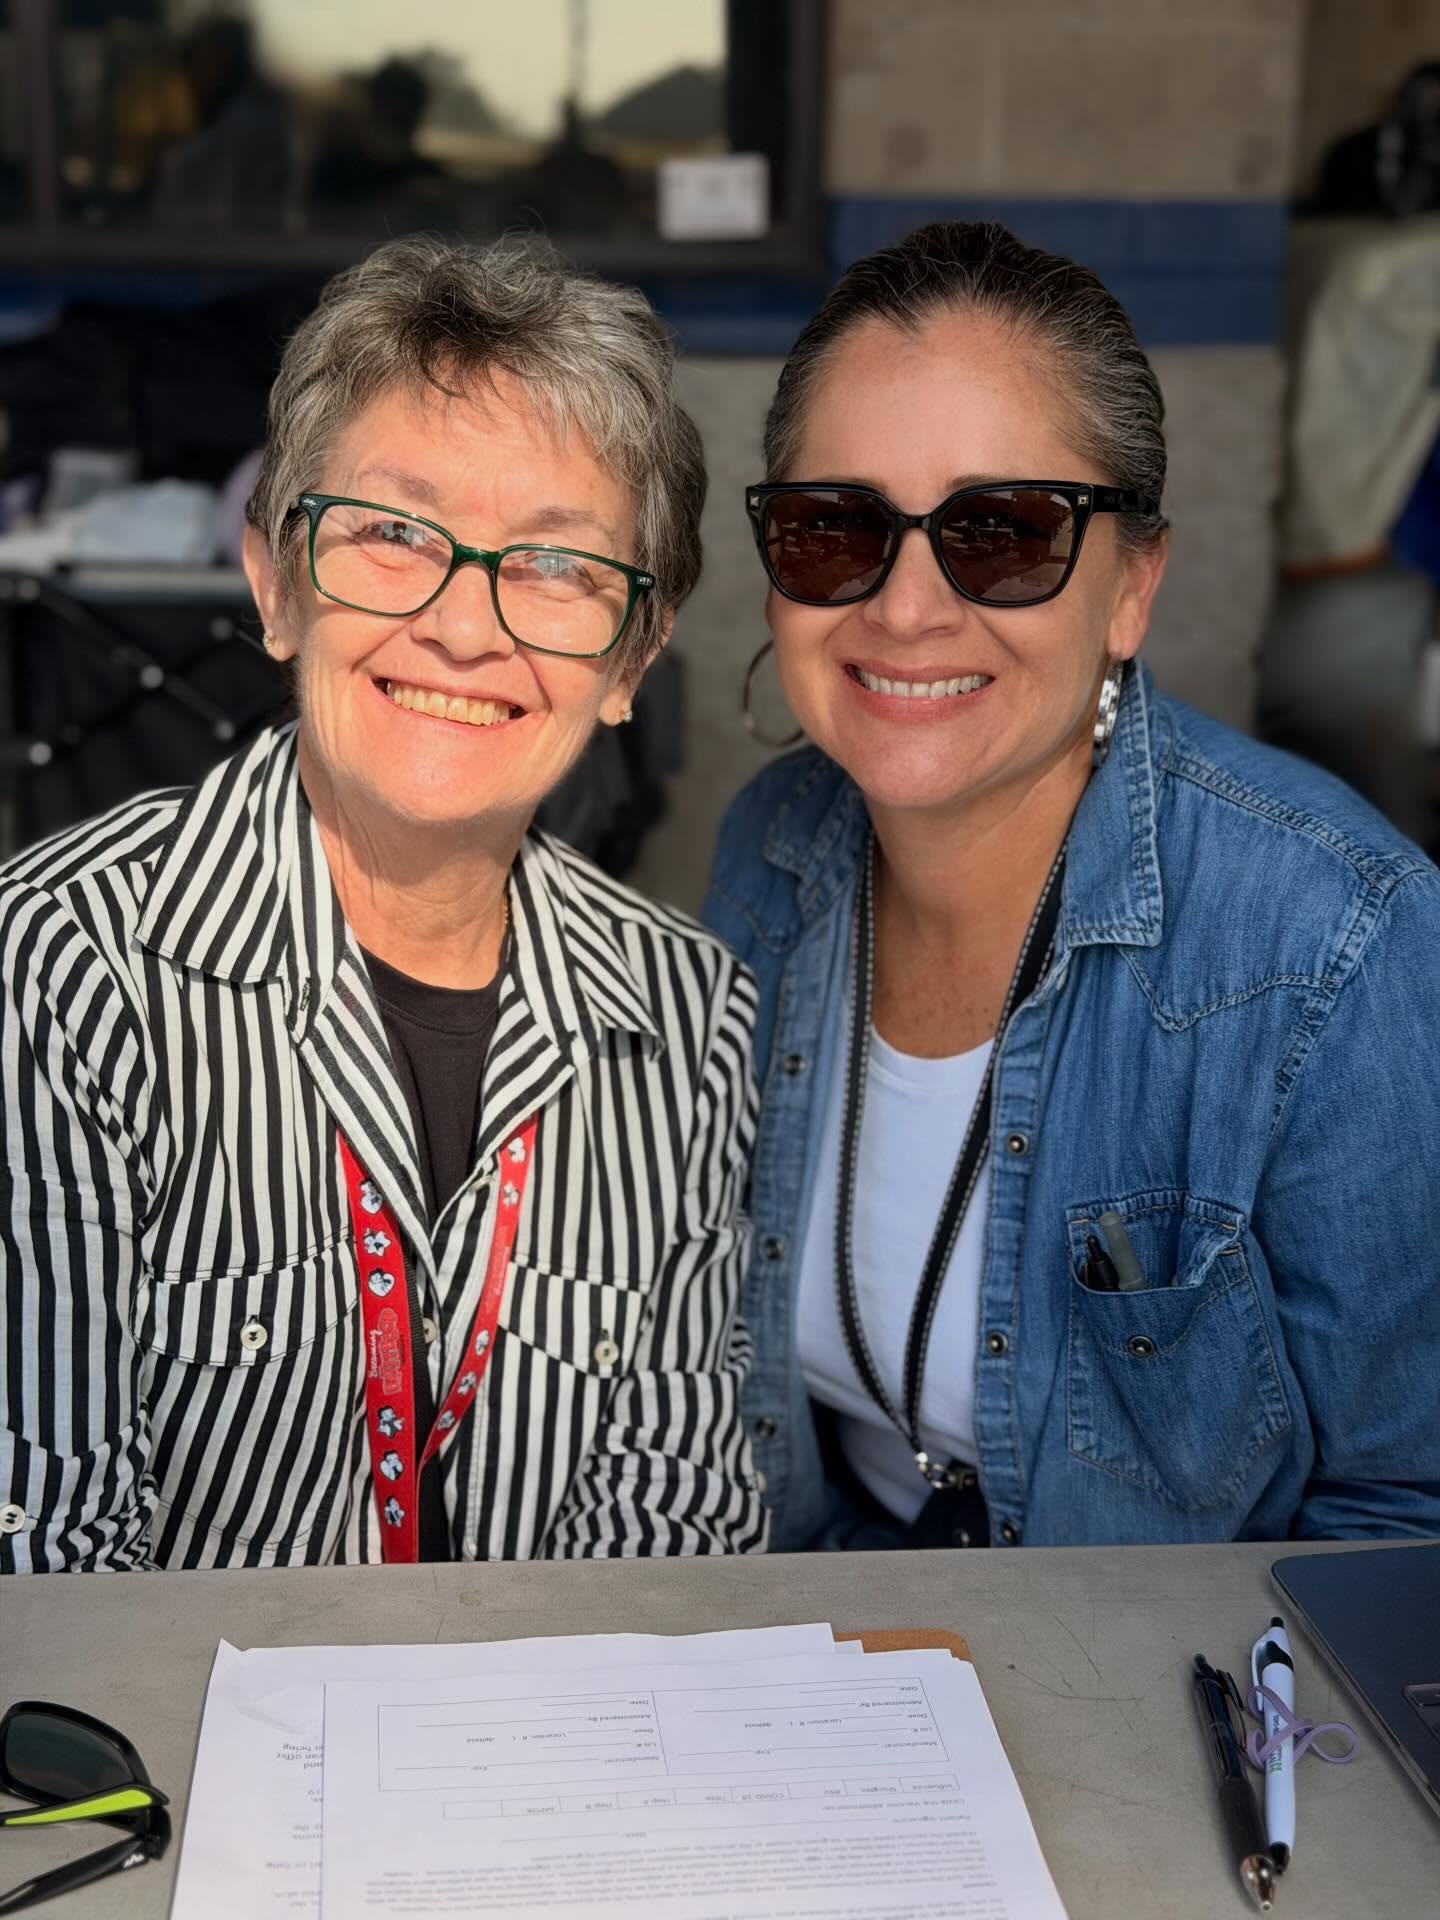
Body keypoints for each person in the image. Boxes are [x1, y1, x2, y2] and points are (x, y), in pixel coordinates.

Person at [0, 237, 765, 1572]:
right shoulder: (63, 975)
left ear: (634, 657)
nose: (467, 628)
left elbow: (674, 1529)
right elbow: (46, 1568)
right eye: (396, 536)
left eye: (552, 565)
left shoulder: (685, 1016)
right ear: (277, 584)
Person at [702, 220, 1440, 1553]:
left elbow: (1406, 1520)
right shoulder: (770, 850)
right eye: (835, 527)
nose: (906, 607)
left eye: (1000, 533)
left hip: (1182, 1704)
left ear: (1130, 588)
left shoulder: (1340, 940)